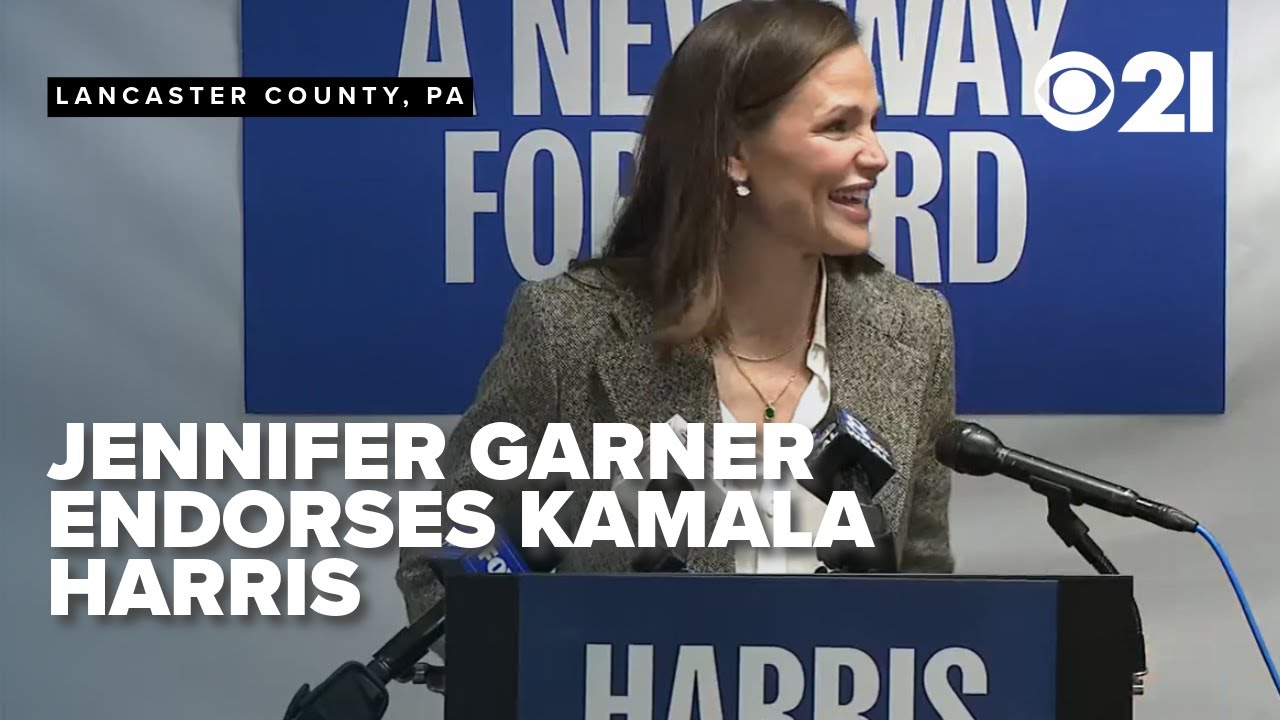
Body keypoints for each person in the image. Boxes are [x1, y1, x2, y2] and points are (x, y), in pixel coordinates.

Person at [397, 0, 956, 626]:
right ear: (733, 153)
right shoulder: (569, 331)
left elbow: (925, 590)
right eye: (838, 127)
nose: (876, 155)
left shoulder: (914, 329)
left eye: (874, 124)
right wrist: (567, 670)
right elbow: (442, 560)